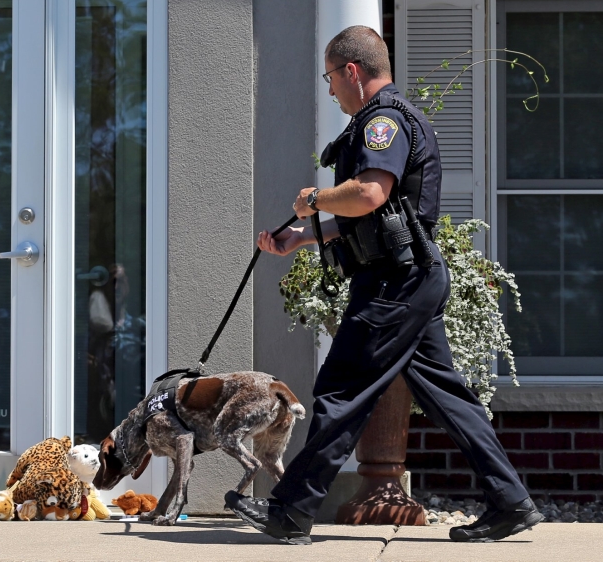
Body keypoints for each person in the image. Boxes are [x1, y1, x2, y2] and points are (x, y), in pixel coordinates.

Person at [224, 25, 541, 545]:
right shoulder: (385, 120)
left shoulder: (384, 122)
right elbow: (375, 218)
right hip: (410, 276)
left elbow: (369, 193)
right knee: (449, 397)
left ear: (353, 71)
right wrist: (302, 237)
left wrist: (315, 199)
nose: (330, 90)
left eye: (331, 78)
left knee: (342, 389)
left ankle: (290, 511)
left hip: (395, 283)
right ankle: (511, 502)